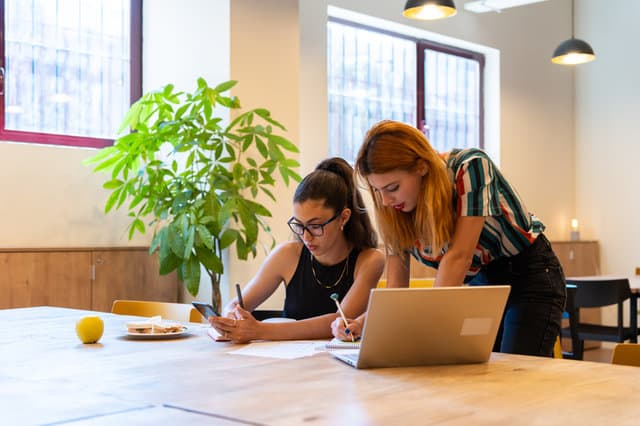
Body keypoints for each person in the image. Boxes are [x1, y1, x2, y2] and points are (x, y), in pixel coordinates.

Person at [331, 120, 566, 357]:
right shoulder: (395, 211)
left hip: (530, 274)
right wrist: (365, 323)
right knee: (481, 374)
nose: (385, 201)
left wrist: (430, 334)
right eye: (377, 190)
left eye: (392, 187)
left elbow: (459, 257)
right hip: (484, 281)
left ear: (421, 167)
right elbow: (396, 293)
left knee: (517, 372)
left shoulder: (470, 167)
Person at [210, 157, 385, 343]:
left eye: (315, 226)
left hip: (339, 365)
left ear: (343, 218)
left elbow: (338, 321)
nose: (306, 236)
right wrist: (231, 317)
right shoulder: (286, 255)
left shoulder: (370, 260)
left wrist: (259, 330)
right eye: (299, 225)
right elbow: (235, 304)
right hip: (288, 364)